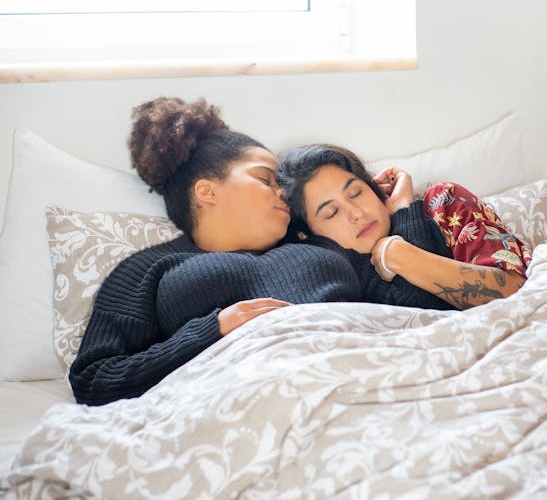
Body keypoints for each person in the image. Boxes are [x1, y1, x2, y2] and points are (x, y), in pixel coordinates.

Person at [69, 98, 362, 406]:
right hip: (237, 403)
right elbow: (93, 379)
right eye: (265, 179)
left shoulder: (313, 237)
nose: (283, 191)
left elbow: (399, 295)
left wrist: (403, 211)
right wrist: (211, 331)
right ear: (207, 191)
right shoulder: (147, 269)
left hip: (353, 381)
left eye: (282, 184)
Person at [277, 144, 531, 311]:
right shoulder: (331, 277)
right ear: (306, 235)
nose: (356, 213)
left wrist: (399, 240)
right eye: (331, 213)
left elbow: (511, 293)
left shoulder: (443, 203)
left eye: (356, 193)